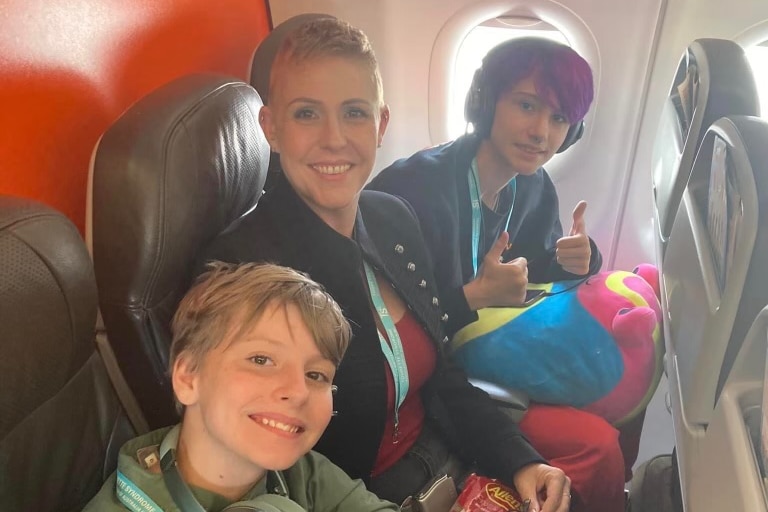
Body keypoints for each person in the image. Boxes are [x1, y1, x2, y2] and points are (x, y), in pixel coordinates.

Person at [198, 18, 571, 512]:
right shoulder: (242, 268)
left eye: (354, 113)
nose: (334, 139)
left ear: (381, 125)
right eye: (307, 113)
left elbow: (442, 375)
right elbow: (259, 457)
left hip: (444, 457)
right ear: (272, 128)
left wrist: (521, 460)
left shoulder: (392, 218)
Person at [369, 38, 628, 512]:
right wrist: (472, 296)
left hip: (493, 359)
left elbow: (531, 269)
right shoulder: (412, 193)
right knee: (597, 447)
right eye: (526, 106)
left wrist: (576, 259)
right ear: (485, 103)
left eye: (558, 119)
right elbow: (393, 338)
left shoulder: (532, 187)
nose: (540, 132)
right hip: (438, 383)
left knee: (612, 404)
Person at [83, 262, 399, 512]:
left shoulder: (301, 473)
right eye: (261, 359)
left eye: (316, 375)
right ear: (188, 377)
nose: (299, 391)